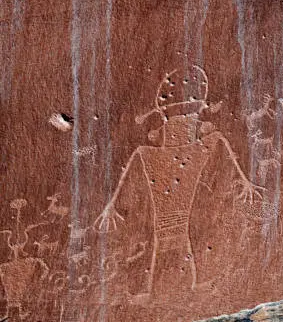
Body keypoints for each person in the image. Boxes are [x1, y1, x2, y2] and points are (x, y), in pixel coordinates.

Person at [94, 65, 263, 298]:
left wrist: (111, 206)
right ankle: (173, 285)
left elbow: (135, 158)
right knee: (173, 233)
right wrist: (245, 182)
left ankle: (164, 287)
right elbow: (221, 139)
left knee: (169, 233)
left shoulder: (151, 153)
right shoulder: (197, 147)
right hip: (177, 175)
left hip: (172, 178)